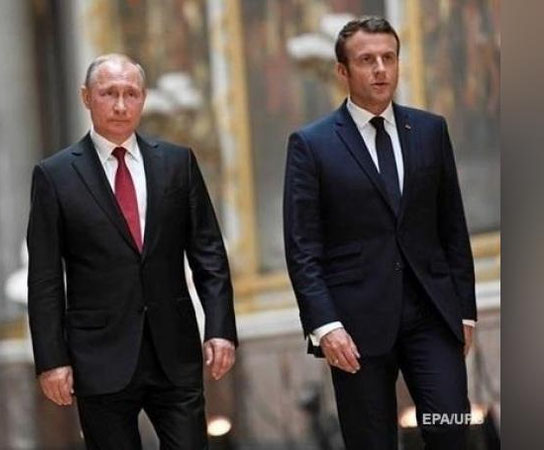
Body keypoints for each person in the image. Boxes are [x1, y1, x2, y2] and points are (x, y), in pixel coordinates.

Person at [283, 17, 476, 449]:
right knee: (371, 441)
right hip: (354, 327)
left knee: (450, 427)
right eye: (367, 60)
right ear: (342, 71)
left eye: (389, 57)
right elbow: (302, 247)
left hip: (432, 315)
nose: (381, 69)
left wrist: (464, 311)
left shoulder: (430, 131)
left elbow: (452, 228)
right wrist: (325, 326)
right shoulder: (311, 145)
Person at [26, 53, 238, 449]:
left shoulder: (176, 163)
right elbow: (45, 278)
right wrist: (52, 359)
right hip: (99, 357)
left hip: (174, 351)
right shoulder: (55, 176)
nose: (121, 105)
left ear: (144, 98)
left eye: (131, 94)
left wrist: (221, 328)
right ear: (86, 97)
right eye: (109, 93)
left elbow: (208, 252)